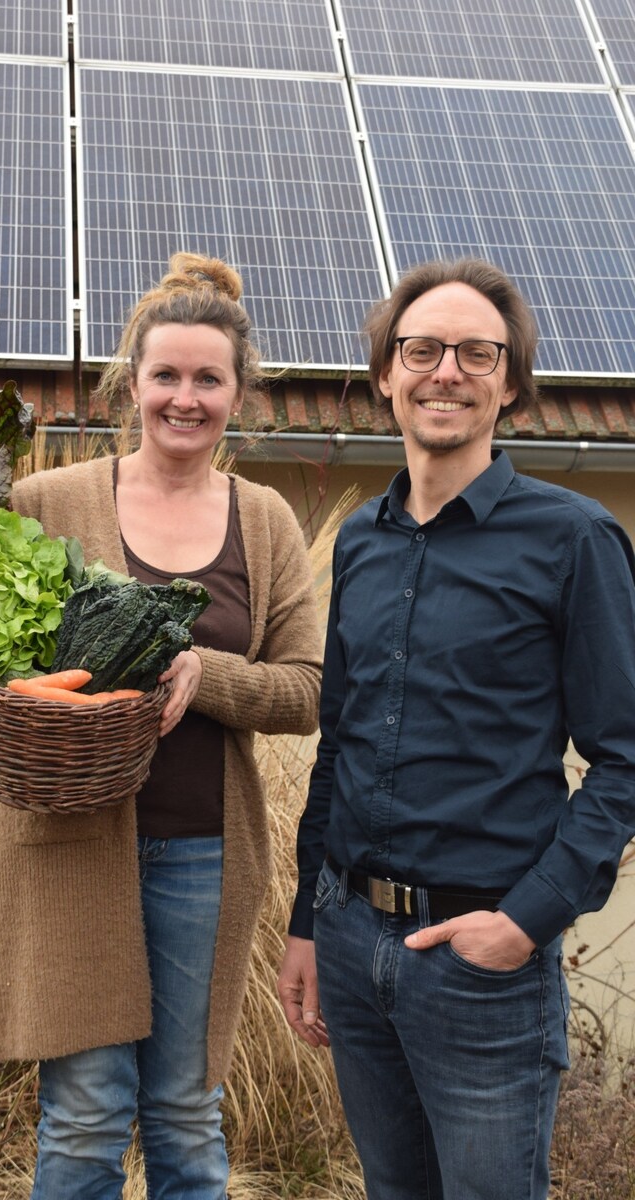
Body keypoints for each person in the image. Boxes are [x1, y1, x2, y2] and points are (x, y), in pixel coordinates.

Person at [0, 253, 323, 1200]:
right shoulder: (46, 501)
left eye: (207, 379)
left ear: (238, 394)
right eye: (165, 376)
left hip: (205, 853)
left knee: (188, 1117)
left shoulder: (265, 521)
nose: (184, 399)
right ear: (131, 383)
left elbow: (309, 689)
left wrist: (206, 670)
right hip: (66, 852)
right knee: (84, 1118)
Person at [277, 257, 635, 1200]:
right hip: (353, 947)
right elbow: (339, 740)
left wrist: (526, 921)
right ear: (386, 375)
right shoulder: (361, 539)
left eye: (477, 353)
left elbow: (626, 758)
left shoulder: (574, 539)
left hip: (482, 965)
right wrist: (309, 924)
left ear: (509, 383)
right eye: (423, 349)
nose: (447, 370)